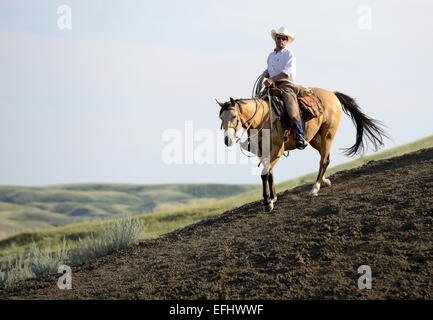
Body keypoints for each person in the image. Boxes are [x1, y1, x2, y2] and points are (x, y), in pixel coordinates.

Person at [263, 26, 308, 150]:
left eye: (284, 38)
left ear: (287, 41)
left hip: (285, 85)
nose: (281, 40)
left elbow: (286, 72)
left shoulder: (289, 54)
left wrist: (272, 79)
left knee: (291, 109)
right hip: (271, 86)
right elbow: (270, 69)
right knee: (258, 103)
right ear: (275, 39)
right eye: (279, 38)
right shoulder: (271, 55)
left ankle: (300, 136)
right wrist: (267, 73)